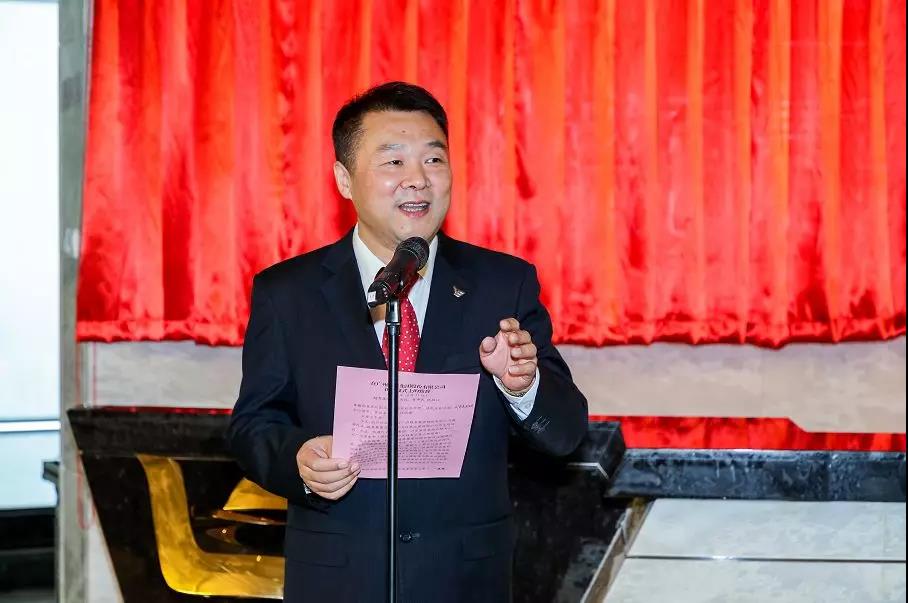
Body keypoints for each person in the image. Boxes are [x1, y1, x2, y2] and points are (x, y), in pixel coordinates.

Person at [227, 81, 588, 603]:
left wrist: (522, 387)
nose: (418, 179)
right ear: (345, 179)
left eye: (433, 160)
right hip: (337, 579)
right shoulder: (288, 293)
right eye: (393, 162)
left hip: (463, 582)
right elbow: (253, 425)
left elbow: (567, 432)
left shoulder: (502, 285)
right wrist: (298, 459)